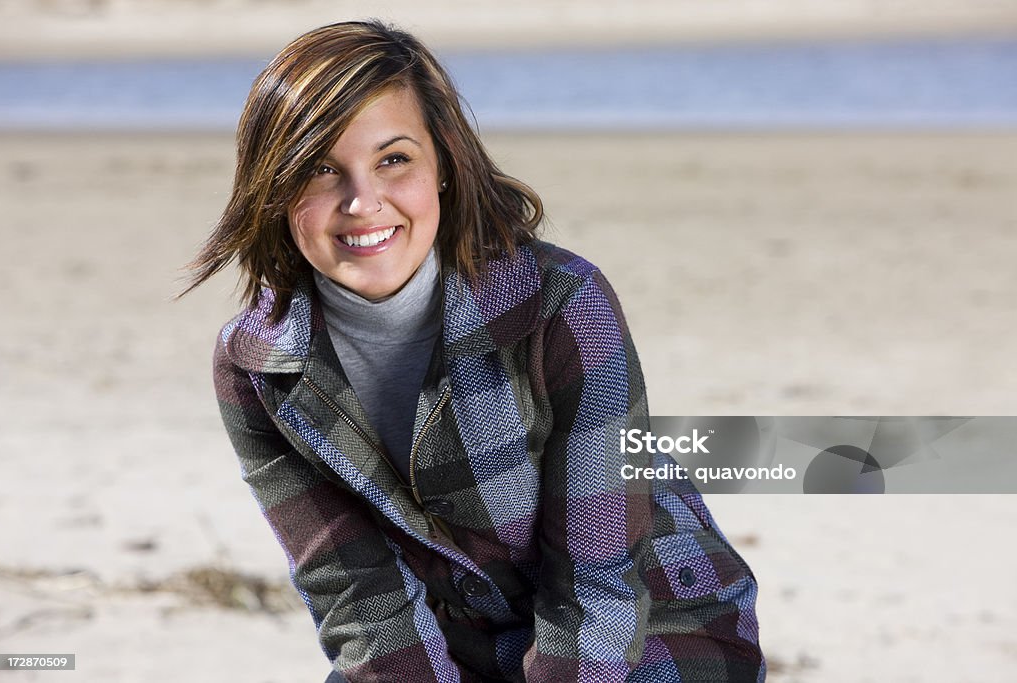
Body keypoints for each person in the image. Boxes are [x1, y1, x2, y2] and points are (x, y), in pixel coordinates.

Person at [184, 20, 764, 682]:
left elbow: (597, 586)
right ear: (277, 188)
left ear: (444, 167)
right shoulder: (256, 366)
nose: (362, 201)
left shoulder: (561, 302)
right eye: (321, 168)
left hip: (657, 626)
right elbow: (363, 603)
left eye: (393, 159)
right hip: (465, 650)